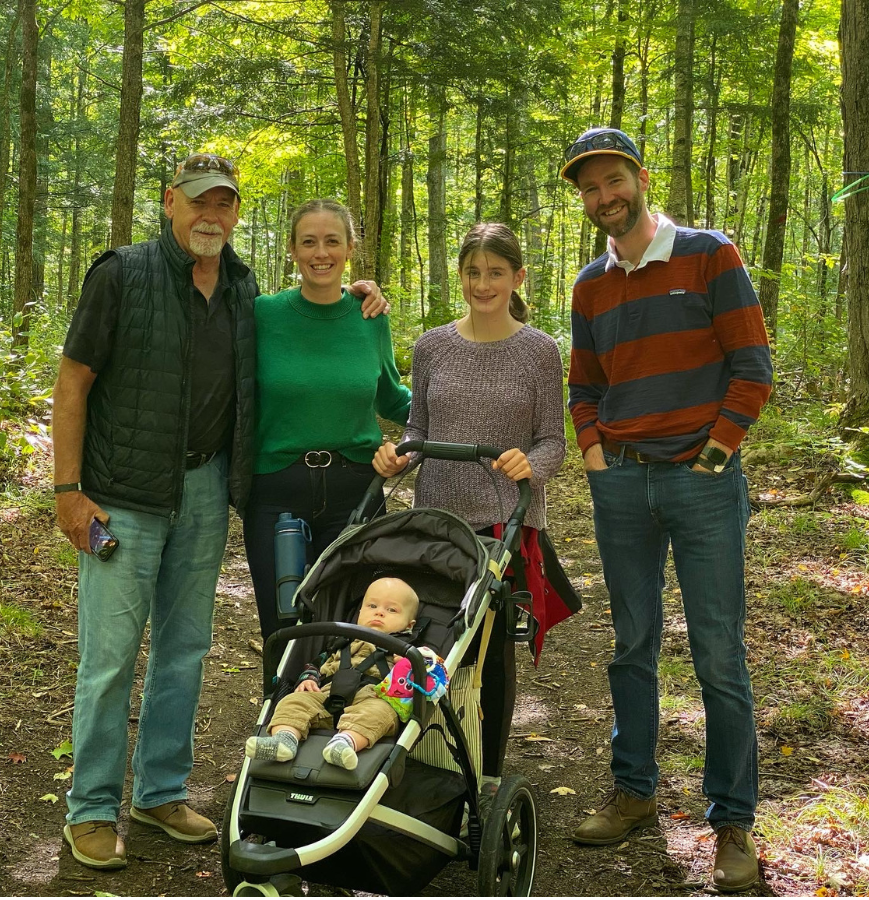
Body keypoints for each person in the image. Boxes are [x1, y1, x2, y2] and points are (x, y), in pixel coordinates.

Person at [52, 157, 386, 871]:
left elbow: (315, 328)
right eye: (198, 201)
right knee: (109, 660)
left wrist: (363, 295)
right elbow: (73, 380)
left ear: (236, 214)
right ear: (170, 202)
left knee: (185, 650)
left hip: (205, 492)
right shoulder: (122, 274)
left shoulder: (242, 290)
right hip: (123, 496)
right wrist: (67, 490)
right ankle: (91, 807)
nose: (211, 215)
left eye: (224, 203)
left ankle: (161, 791)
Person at [561, 127, 773, 892]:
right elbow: (584, 387)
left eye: (613, 180)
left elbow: (752, 369)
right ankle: (634, 791)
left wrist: (713, 456)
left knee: (718, 653)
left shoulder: (709, 254)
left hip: (703, 484)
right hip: (622, 484)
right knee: (631, 644)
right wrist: (596, 458)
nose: (603, 197)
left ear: (640, 178)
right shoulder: (589, 285)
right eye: (589, 188)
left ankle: (732, 823)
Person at [373, 222, 573, 802]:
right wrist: (396, 459)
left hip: (504, 524)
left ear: (517, 278)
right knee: (425, 640)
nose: (482, 284)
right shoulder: (433, 345)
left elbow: (552, 443)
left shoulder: (539, 350)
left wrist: (528, 465)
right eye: (472, 272)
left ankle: (484, 772)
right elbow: (418, 430)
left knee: (488, 652)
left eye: (495, 273)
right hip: (436, 521)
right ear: (460, 276)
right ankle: (417, 756)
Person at [244, 199, 412, 643]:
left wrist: (459, 417)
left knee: (354, 627)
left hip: (356, 492)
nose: (321, 253)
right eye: (309, 242)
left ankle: (347, 713)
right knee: (282, 630)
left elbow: (392, 398)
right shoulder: (262, 313)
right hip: (276, 493)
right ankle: (278, 710)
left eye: (332, 241)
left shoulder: (369, 317)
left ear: (350, 247)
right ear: (293, 250)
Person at [244, 577, 419, 770]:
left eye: (391, 610)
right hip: (326, 694)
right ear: (360, 612)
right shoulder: (341, 641)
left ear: (409, 625)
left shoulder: (407, 651)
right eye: (372, 605)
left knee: (382, 714)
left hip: (373, 697)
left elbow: (423, 680)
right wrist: (309, 679)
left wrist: (406, 664)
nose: (379, 612)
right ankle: (284, 740)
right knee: (294, 701)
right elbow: (317, 664)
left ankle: (344, 743)